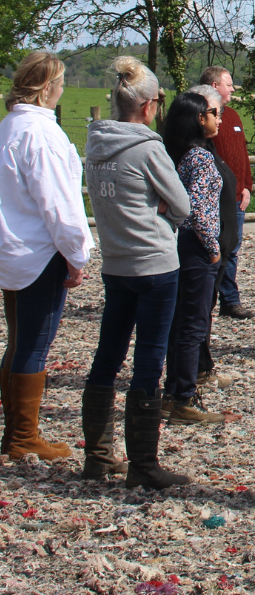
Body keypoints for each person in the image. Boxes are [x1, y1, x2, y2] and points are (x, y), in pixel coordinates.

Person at [83, 56, 191, 487]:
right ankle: (144, 465)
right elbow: (182, 205)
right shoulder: (148, 147)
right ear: (149, 105)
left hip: (115, 261)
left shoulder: (94, 142)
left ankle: (97, 455)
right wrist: (160, 208)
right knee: (149, 359)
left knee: (107, 355)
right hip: (154, 262)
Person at [0, 51, 92, 460]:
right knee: (33, 342)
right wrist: (77, 252)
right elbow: (58, 202)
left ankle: (16, 431)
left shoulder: (9, 127)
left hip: (11, 248)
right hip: (38, 251)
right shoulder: (41, 134)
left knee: (18, 339)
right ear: (48, 86)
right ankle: (23, 436)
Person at [162, 91, 236, 425]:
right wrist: (213, 246)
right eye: (213, 113)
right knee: (194, 323)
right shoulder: (200, 158)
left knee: (178, 321)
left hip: (176, 244)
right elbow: (201, 211)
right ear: (197, 119)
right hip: (197, 246)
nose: (219, 118)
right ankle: (183, 398)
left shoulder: (172, 153)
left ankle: (171, 393)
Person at [200, 66, 255, 320]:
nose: (232, 88)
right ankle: (205, 299)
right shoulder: (200, 118)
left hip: (235, 198)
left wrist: (246, 187)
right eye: (228, 84)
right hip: (212, 198)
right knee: (210, 248)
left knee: (231, 249)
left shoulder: (232, 116)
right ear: (214, 86)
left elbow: (242, 155)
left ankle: (229, 300)